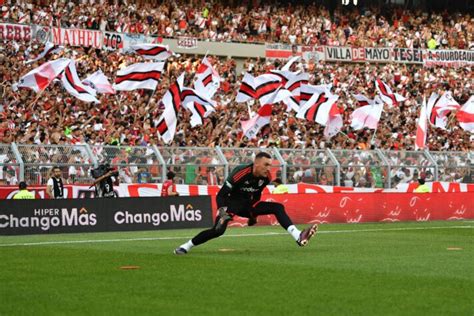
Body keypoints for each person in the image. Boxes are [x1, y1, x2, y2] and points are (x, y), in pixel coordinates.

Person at [174, 152, 318, 255]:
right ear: (256, 164)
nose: (269, 168)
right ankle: (185, 246)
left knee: (277, 207)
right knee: (217, 231)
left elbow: (258, 193)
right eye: (266, 165)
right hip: (231, 203)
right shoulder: (240, 173)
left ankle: (298, 236)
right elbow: (221, 194)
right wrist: (222, 212)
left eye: (270, 165)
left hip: (249, 204)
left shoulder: (266, 177)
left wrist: (252, 215)